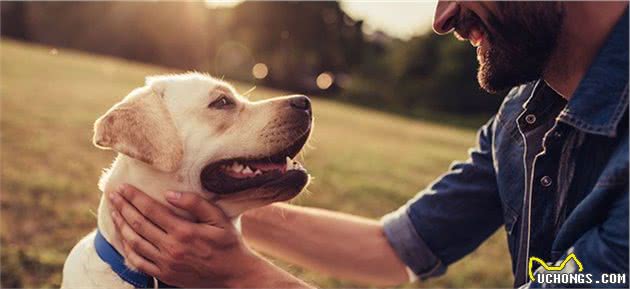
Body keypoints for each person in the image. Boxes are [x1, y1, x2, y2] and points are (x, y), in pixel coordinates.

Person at [107, 1, 629, 288]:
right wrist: (186, 205)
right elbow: (391, 250)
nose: (443, 17)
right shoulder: (521, 118)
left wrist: (242, 277)